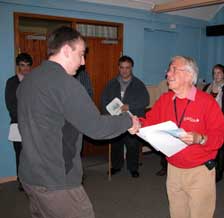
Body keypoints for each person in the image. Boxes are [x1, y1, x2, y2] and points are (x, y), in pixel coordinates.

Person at [17, 26, 139, 218]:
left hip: (29, 174)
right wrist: (128, 121)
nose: (83, 62)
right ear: (66, 50)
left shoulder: (29, 79)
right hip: (57, 180)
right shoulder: (67, 84)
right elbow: (97, 127)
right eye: (81, 54)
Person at [139, 56, 224, 218]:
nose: (167, 74)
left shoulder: (207, 102)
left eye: (173, 69)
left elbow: (220, 135)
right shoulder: (165, 100)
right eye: (168, 70)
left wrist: (200, 138)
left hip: (200, 172)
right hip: (173, 170)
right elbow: (148, 122)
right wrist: (136, 123)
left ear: (188, 75)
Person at [101, 55, 149, 178]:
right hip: (116, 120)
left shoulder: (138, 84)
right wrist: (107, 115)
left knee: (132, 145)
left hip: (131, 120)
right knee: (116, 143)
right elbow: (104, 100)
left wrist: (130, 106)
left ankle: (133, 168)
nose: (124, 70)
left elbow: (145, 100)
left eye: (127, 68)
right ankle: (116, 166)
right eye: (122, 67)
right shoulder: (112, 83)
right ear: (118, 68)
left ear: (131, 68)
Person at [5, 52, 33, 191]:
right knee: (20, 154)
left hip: (34, 124)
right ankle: (21, 181)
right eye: (22, 66)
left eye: (28, 65)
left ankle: (33, 180)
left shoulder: (35, 80)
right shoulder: (11, 82)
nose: (26, 69)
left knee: (33, 153)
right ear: (18, 67)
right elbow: (10, 104)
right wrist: (23, 119)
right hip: (18, 124)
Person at [203, 64, 224, 181]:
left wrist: (218, 96)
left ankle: (218, 173)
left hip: (221, 122)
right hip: (208, 122)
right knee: (208, 145)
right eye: (215, 73)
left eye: (219, 73)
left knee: (219, 148)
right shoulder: (208, 87)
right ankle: (208, 169)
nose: (216, 75)